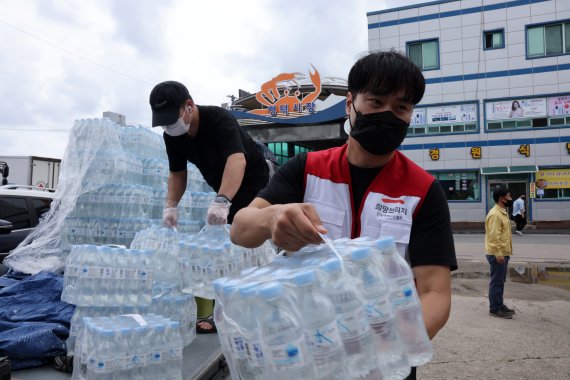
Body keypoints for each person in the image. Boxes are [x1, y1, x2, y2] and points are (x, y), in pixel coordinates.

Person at [231, 51, 457, 379]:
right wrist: (271, 217)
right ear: (350, 103)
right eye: (376, 101)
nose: (387, 115)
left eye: (401, 108)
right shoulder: (306, 170)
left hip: (385, 363)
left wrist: (392, 349)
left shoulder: (423, 191)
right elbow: (240, 229)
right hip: (310, 355)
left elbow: (435, 292)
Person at [149, 80, 270, 333]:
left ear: (189, 106)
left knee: (244, 242)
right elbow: (177, 173)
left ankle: (251, 307)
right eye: (164, 122)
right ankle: (224, 309)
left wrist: (223, 201)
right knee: (220, 247)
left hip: (254, 182)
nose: (170, 126)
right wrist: (170, 206)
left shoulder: (218, 119)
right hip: (224, 185)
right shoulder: (173, 136)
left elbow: (237, 161)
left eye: (173, 118)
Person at [485, 185, 515, 319]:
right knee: (496, 282)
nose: (511, 198)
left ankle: (499, 304)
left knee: (500, 281)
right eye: (508, 196)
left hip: (503, 253)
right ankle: (495, 308)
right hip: (498, 254)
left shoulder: (502, 212)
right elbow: (493, 236)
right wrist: (498, 254)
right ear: (501, 198)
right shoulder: (495, 214)